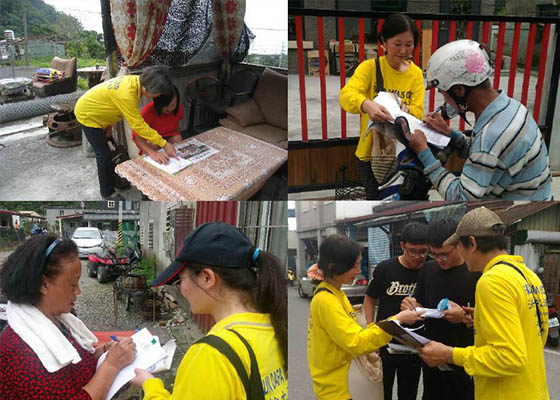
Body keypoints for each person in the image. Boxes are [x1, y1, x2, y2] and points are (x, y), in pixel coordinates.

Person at [131, 222, 287, 399]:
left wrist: (151, 385)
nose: (181, 290)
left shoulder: (212, 355)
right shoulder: (275, 326)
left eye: (180, 281)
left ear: (207, 278)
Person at [419, 207, 550, 400]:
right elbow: (536, 335)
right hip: (533, 390)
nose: (460, 254)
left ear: (471, 243)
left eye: (458, 246)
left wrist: (449, 354)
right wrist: (481, 320)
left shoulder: (492, 281)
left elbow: (509, 358)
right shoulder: (527, 275)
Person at [409, 39, 552, 200]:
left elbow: (461, 197)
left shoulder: (491, 136)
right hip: (536, 199)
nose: (444, 101)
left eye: (443, 94)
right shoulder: (510, 107)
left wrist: (423, 152)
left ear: (459, 90)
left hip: (520, 210)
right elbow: (486, 153)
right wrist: (450, 134)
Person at [0, 235, 136, 400]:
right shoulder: (19, 352)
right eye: (73, 284)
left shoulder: (54, 319)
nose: (78, 291)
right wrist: (112, 365)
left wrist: (104, 352)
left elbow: (72, 366)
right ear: (43, 284)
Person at [308, 234, 423, 400]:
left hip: (343, 383)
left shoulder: (336, 293)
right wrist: (398, 320)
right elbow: (357, 342)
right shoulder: (326, 300)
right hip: (337, 390)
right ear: (334, 267)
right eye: (354, 266)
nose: (359, 271)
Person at [340, 13, 425, 199]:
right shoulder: (369, 68)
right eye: (397, 44)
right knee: (376, 202)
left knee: (402, 200)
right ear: (383, 42)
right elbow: (346, 95)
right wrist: (366, 104)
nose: (403, 50)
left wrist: (408, 111)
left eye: (409, 44)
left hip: (403, 155)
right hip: (370, 155)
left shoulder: (416, 74)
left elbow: (419, 111)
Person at [401, 218, 480, 400]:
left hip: (464, 359)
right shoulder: (428, 270)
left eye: (444, 254)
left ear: (459, 245)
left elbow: (487, 321)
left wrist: (464, 317)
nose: (440, 260)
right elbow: (420, 303)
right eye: (434, 254)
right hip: (432, 357)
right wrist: (411, 306)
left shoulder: (476, 273)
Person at [75, 66, 179, 201]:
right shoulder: (128, 94)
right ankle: (107, 192)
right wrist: (164, 143)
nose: (158, 96)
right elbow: (139, 126)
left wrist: (109, 124)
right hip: (87, 115)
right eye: (158, 93)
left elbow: (111, 103)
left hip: (98, 113)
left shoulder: (135, 82)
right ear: (148, 89)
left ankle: (116, 180)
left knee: (113, 152)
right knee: (104, 155)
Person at [363, 222, 429, 400]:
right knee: (381, 393)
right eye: (411, 251)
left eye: (423, 251)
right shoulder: (385, 268)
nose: (417, 257)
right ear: (402, 246)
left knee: (408, 394)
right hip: (384, 343)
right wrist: (370, 330)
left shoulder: (429, 271)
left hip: (413, 345)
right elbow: (369, 299)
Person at [132, 85, 184, 164]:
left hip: (168, 139)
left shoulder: (178, 108)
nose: (169, 109)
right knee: (153, 144)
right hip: (153, 141)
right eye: (165, 106)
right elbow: (137, 137)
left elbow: (177, 127)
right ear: (158, 103)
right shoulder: (147, 112)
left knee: (177, 138)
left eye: (173, 105)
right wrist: (153, 153)